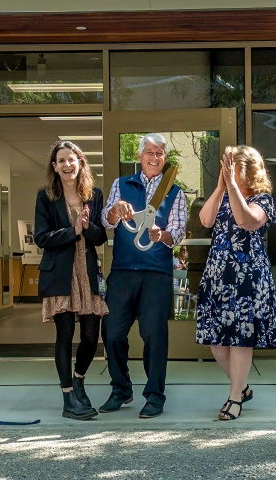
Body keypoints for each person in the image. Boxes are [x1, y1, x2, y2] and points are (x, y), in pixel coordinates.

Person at [101, 133, 188, 419]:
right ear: (139, 156)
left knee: (154, 334)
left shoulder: (175, 192)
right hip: (123, 271)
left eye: (160, 153)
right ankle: (121, 389)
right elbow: (105, 220)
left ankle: (154, 395)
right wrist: (115, 211)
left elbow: (177, 231)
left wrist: (162, 235)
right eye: (149, 152)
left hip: (156, 274)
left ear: (165, 158)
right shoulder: (121, 184)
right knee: (112, 332)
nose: (154, 157)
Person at [196, 145, 276, 421]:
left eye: (234, 169)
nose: (230, 173)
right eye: (228, 168)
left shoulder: (263, 199)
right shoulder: (224, 193)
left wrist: (232, 186)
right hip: (218, 275)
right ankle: (242, 387)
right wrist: (222, 185)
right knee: (217, 344)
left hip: (248, 278)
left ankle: (234, 399)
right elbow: (206, 220)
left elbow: (246, 220)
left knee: (241, 339)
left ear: (250, 171)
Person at [34, 140, 108, 420]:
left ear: (80, 163)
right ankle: (68, 397)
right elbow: (42, 238)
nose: (67, 164)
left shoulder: (94, 195)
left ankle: (79, 379)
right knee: (64, 335)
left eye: (72, 159)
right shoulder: (46, 197)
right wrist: (73, 230)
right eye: (61, 160)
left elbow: (101, 237)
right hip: (60, 274)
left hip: (87, 273)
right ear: (55, 167)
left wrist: (88, 228)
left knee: (91, 336)